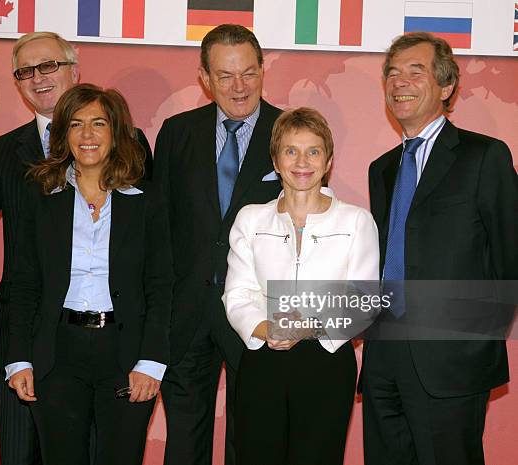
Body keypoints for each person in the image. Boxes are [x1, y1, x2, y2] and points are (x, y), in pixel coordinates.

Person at [0, 32, 153, 465]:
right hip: (26, 333)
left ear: (74, 70)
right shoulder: (4, 151)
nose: (38, 78)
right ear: (17, 84)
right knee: (22, 455)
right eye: (25, 72)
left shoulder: (128, 141)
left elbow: (148, 250)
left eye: (49, 66)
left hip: (110, 340)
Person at [363, 32, 518, 465]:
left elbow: (510, 256)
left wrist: (470, 339)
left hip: (451, 362)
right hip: (383, 358)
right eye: (392, 73)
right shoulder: (383, 169)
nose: (400, 82)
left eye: (416, 71)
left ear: (447, 87)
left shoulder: (484, 156)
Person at [5, 83, 172, 465]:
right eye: (76, 124)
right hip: (56, 355)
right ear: (63, 134)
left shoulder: (147, 202)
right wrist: (19, 359)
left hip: (125, 354)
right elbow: (23, 283)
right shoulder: (42, 198)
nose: (87, 135)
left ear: (115, 132)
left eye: (98, 123)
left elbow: (161, 287)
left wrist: (151, 361)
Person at [153, 24, 282, 465]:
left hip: (258, 313)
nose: (239, 86)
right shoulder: (176, 132)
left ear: (263, 70)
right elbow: (161, 223)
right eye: (225, 76)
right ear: (205, 78)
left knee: (252, 440)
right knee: (185, 443)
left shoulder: (290, 134)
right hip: (186, 311)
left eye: (248, 73)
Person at [222, 107, 379, 465]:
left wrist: (302, 327)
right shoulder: (250, 218)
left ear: (328, 161)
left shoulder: (357, 221)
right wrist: (270, 329)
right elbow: (238, 294)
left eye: (313, 151)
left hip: (325, 362)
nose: (302, 161)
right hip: (262, 358)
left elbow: (362, 300)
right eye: (291, 151)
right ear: (276, 161)